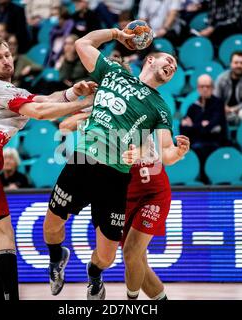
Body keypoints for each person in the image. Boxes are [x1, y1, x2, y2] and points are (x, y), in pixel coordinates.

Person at [0, 36, 96, 301]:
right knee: (5, 236)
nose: (7, 60)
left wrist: (73, 92)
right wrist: (86, 104)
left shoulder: (9, 92)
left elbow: (45, 100)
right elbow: (42, 113)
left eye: (8, 54)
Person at [43, 27, 190, 300]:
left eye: (175, 66)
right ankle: (56, 257)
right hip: (83, 161)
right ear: (149, 60)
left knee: (109, 256)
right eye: (167, 60)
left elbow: (166, 153)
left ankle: (94, 273)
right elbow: (82, 42)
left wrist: (180, 152)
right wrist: (116, 34)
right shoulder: (114, 71)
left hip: (116, 175)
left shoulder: (160, 107)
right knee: (51, 226)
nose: (172, 65)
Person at [181, 74, 227, 182]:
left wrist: (193, 126)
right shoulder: (193, 106)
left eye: (208, 86)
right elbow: (183, 128)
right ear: (198, 88)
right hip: (196, 142)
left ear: (212, 87)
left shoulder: (218, 104)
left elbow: (213, 125)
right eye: (202, 86)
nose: (205, 89)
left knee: (203, 148)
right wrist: (202, 125)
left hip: (215, 142)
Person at [214, 51, 242, 125]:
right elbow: (215, 98)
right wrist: (223, 107)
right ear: (231, 64)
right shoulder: (221, 78)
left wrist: (233, 109)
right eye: (236, 63)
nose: (239, 65)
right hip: (226, 111)